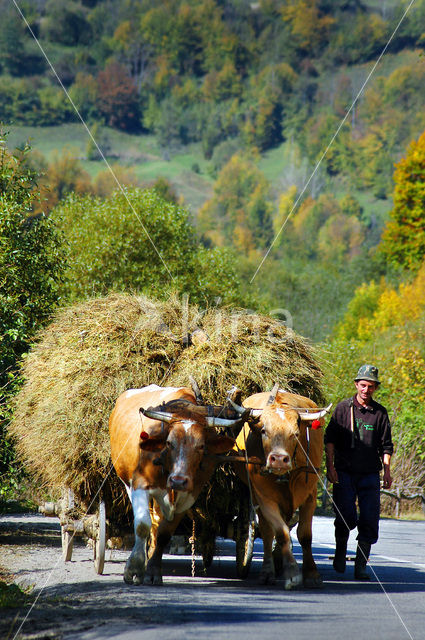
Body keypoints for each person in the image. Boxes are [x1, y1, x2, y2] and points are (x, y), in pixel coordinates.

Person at [324, 364, 393, 580]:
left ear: (375, 388)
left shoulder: (380, 413)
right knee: (346, 516)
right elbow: (329, 439)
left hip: (370, 474)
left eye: (371, 386)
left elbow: (387, 446)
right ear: (356, 385)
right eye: (363, 385)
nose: (366, 390)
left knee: (370, 519)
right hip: (344, 472)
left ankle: (361, 566)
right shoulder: (343, 409)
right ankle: (340, 551)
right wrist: (330, 467)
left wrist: (387, 472)